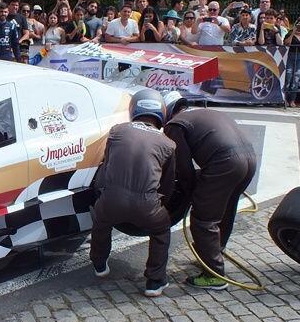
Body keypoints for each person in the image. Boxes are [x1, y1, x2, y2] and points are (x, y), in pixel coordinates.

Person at [162, 91, 256, 290]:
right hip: (249, 161)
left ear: (167, 111)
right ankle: (213, 253)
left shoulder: (175, 125)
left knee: (203, 219)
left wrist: (188, 194)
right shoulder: (205, 113)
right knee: (225, 211)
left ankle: (214, 274)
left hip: (226, 163)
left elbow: (183, 168)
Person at [89, 89, 175, 297]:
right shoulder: (168, 144)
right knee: (162, 230)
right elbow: (167, 185)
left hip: (111, 201)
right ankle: (155, 281)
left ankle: (99, 263)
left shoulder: (117, 131)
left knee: (101, 221)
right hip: (147, 206)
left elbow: (106, 167)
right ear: (162, 113)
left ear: (133, 109)